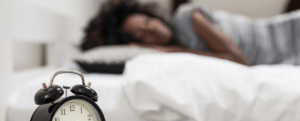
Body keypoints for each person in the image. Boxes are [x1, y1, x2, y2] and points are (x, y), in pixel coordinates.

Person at [80, 0, 300, 66]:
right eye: (141, 35)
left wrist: (168, 50)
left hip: (290, 34)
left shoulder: (187, 17)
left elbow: (238, 60)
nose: (152, 27)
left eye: (147, 21)